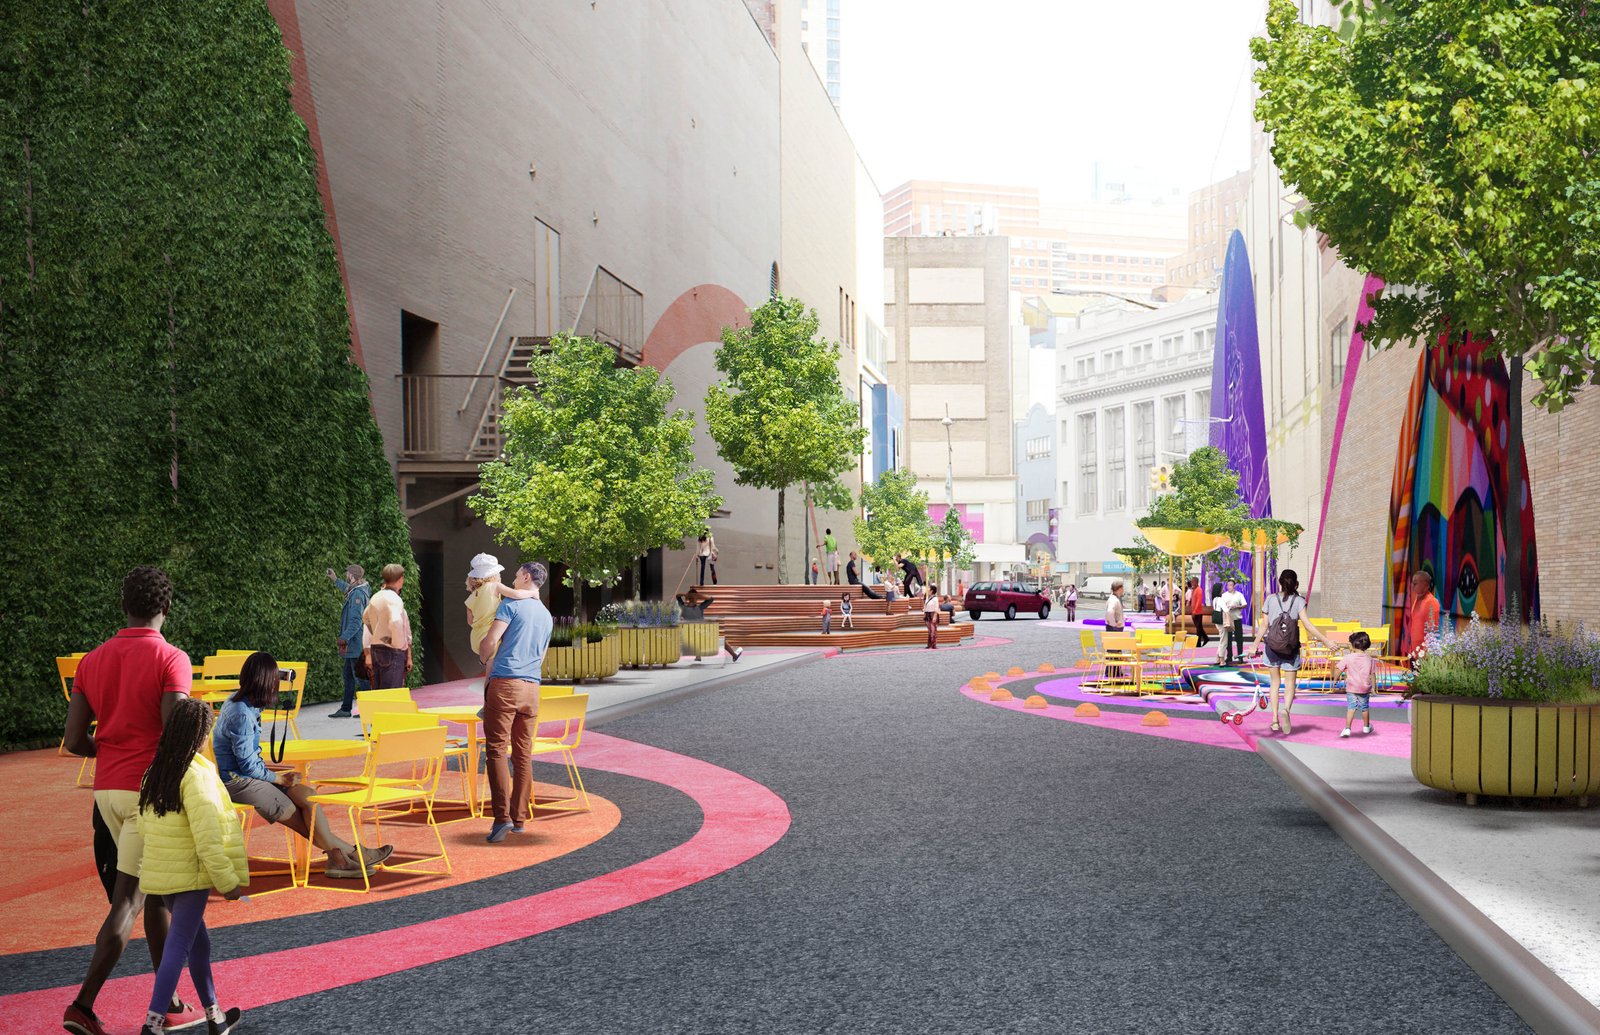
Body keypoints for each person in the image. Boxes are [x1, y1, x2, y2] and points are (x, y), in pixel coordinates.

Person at [62, 566, 204, 1035]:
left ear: (124, 606)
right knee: (133, 900)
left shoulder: (92, 660)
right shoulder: (172, 658)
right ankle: (85, 1004)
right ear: (166, 607)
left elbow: (74, 740)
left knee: (152, 896)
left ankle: (168, 1001)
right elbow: (173, 735)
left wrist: (112, 748)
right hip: (151, 792)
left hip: (107, 791)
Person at [213, 653, 390, 879]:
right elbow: (247, 767)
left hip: (253, 774)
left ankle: (339, 861)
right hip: (239, 781)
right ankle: (352, 854)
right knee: (295, 812)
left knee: (307, 795)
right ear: (265, 681)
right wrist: (279, 779)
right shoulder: (241, 714)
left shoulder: (245, 700)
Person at [134, 696, 246, 1035]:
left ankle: (216, 1018)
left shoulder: (155, 772)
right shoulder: (196, 776)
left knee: (198, 945)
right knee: (178, 949)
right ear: (201, 736)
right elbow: (208, 838)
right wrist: (227, 882)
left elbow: (144, 826)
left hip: (164, 875)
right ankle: (152, 1024)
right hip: (192, 876)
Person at [477, 562, 554, 843]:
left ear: (525, 576)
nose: (512, 578)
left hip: (505, 684)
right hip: (532, 687)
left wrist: (484, 658)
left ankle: (501, 819)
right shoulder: (546, 615)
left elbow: (491, 641)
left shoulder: (510, 605)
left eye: (515, 574)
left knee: (496, 751)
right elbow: (542, 655)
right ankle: (519, 818)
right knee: (523, 754)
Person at [1249, 568, 1339, 734]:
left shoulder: (1270, 599)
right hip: (1291, 648)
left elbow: (1264, 625)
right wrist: (1325, 640)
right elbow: (1307, 624)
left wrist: (1254, 645)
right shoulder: (1299, 601)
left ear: (1280, 583)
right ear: (1296, 583)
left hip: (1272, 647)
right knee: (1290, 684)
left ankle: (1275, 720)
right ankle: (1286, 711)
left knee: (1274, 683)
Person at [464, 554, 541, 669]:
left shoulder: (470, 598)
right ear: (494, 574)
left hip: (475, 638)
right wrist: (533, 593)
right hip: (490, 638)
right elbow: (516, 594)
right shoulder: (494, 586)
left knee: (489, 674)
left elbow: (470, 622)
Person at [325, 564, 370, 719]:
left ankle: (368, 709)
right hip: (354, 644)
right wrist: (335, 580)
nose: (346, 576)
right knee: (350, 677)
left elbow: (356, 621)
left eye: (347, 574)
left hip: (354, 644)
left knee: (360, 679)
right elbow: (347, 589)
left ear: (353, 576)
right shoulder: (357, 590)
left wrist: (344, 637)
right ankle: (346, 709)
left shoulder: (357, 595)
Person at [361, 564, 412, 691]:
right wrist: (397, 644)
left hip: (376, 649)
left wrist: (379, 635)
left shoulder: (376, 597)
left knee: (379, 692)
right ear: (401, 579)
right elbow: (395, 621)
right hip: (392, 652)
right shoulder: (394, 599)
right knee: (392, 694)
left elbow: (365, 617)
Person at [1335, 631, 1378, 738]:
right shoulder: (1370, 659)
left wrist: (1335, 679)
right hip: (1364, 688)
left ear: (1353, 644)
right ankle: (1366, 727)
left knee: (1351, 707)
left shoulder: (1348, 657)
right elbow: (1372, 675)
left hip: (1351, 688)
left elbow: (1338, 669)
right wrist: (1373, 688)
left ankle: (1347, 729)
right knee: (1365, 707)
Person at [1400, 569, 1442, 664]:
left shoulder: (1431, 602)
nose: (1412, 586)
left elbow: (1432, 630)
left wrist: (1426, 652)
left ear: (1426, 585)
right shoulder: (1417, 599)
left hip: (1423, 654)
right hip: (1414, 651)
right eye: (1412, 583)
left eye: (1415, 583)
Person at [1222, 582, 1248, 664]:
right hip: (1228, 619)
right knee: (1228, 639)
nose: (1229, 587)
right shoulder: (1224, 595)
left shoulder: (1239, 595)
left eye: (1230, 585)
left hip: (1237, 618)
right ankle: (1229, 656)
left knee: (1239, 639)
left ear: (1234, 586)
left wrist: (1236, 607)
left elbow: (1244, 605)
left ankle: (1240, 657)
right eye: (1227, 585)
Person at [1187, 578, 1211, 650]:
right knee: (1199, 627)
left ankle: (1198, 643)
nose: (1191, 583)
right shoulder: (1193, 590)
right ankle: (1206, 638)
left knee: (1198, 628)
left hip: (1198, 612)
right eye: (1191, 582)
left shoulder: (1199, 590)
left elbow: (1198, 602)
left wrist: (1194, 611)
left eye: (1193, 582)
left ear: (1196, 582)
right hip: (1194, 611)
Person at [1210, 581, 1228, 663]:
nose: (1223, 590)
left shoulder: (1214, 600)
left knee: (1222, 639)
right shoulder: (1220, 600)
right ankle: (1221, 660)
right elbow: (1226, 610)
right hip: (1222, 622)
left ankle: (1218, 658)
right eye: (1222, 588)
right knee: (1224, 641)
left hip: (1217, 622)